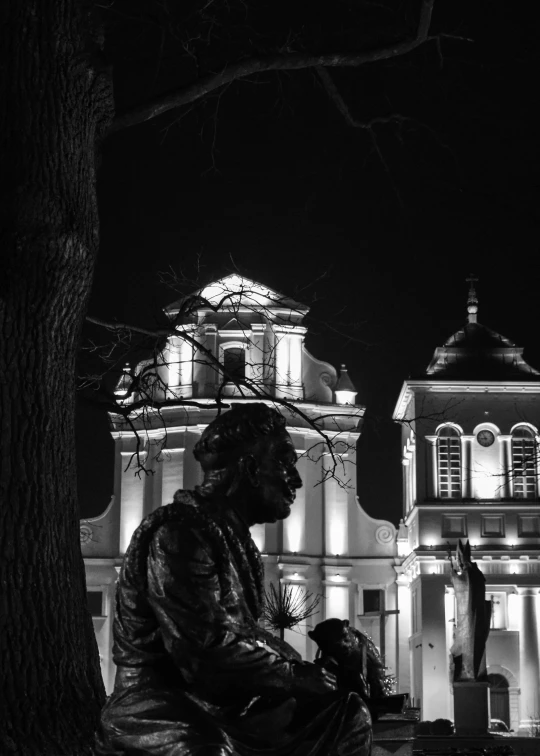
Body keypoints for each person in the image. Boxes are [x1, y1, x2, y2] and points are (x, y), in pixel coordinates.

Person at [96, 403, 372, 756]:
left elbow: (246, 633)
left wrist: (306, 671)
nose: (296, 479)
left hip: (225, 702)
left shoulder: (235, 540)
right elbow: (201, 649)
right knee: (210, 751)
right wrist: (292, 676)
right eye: (285, 462)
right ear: (251, 468)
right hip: (159, 703)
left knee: (348, 715)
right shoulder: (180, 533)